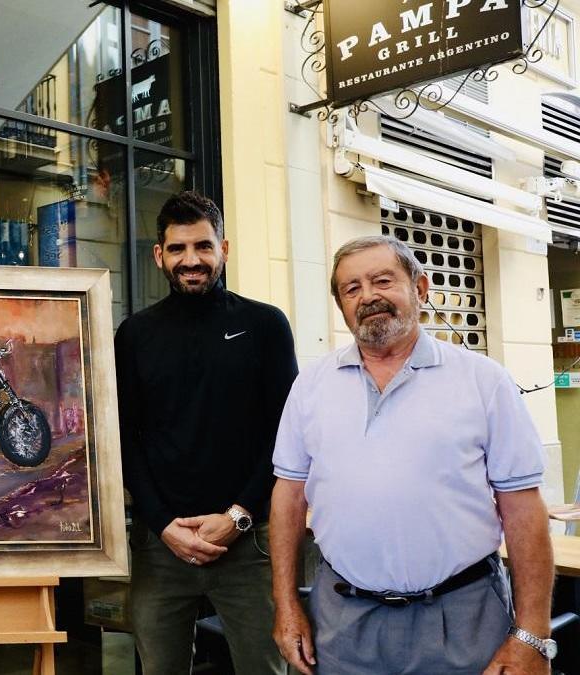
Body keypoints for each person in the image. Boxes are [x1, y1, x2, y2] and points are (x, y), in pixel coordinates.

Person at [270, 235, 554, 674]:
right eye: (352, 288)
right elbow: (288, 498)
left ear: (420, 289)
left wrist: (532, 634)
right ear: (341, 305)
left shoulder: (483, 382)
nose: (368, 296)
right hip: (343, 624)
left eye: (383, 280)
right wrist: (286, 606)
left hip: (463, 619)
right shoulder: (311, 386)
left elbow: (522, 510)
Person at [114, 191, 297, 674]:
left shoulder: (265, 325)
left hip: (248, 541)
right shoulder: (134, 335)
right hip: (161, 547)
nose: (190, 260)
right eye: (177, 249)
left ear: (224, 249)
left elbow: (288, 436)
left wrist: (237, 516)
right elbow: (126, 438)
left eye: (202, 246)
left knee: (265, 668)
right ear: (159, 256)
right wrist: (161, 524)